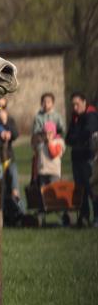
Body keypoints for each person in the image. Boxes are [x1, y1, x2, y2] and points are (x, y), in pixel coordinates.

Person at [65, 92, 98, 227]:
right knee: (81, 190)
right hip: (76, 158)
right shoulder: (75, 118)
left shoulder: (91, 115)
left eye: (77, 104)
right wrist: (78, 138)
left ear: (84, 102)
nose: (75, 107)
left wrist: (77, 137)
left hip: (88, 158)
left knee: (92, 189)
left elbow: (88, 132)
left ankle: (96, 218)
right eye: (73, 104)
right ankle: (84, 218)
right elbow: (68, 138)